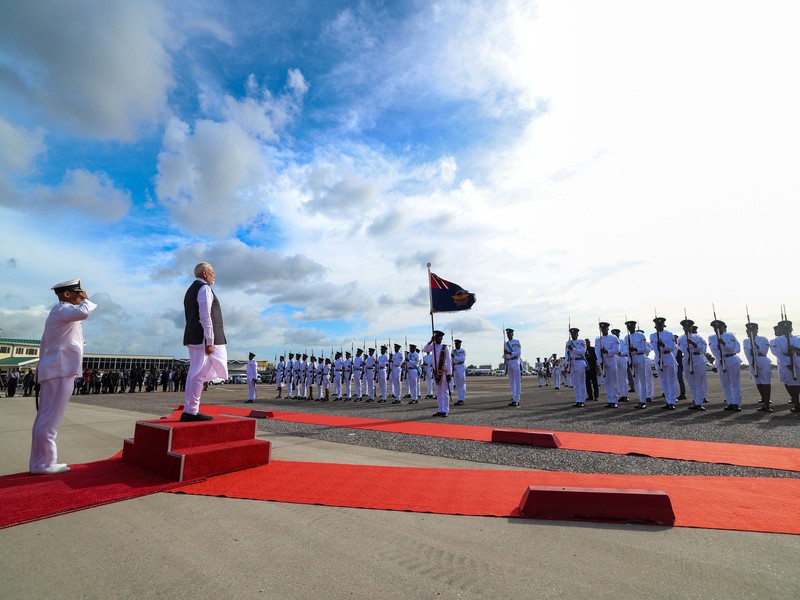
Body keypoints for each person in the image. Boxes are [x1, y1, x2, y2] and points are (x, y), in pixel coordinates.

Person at [30, 279, 97, 475]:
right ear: (67, 294)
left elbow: (44, 345)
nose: (81, 295)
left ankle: (40, 462)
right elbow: (84, 312)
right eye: (78, 292)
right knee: (50, 419)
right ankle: (44, 463)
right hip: (60, 369)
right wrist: (87, 299)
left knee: (45, 417)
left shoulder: (59, 313)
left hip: (55, 369)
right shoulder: (63, 310)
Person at [182, 262, 228, 422]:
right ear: (204, 273)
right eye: (212, 272)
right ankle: (191, 410)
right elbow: (205, 316)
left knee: (194, 373)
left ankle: (190, 409)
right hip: (202, 338)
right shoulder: (204, 288)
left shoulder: (190, 290)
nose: (214, 275)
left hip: (194, 336)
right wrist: (210, 340)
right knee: (199, 374)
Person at [709, 320, 743, 411]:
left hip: (731, 359)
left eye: (719, 327)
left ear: (724, 328)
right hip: (720, 360)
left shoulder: (730, 335)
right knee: (725, 384)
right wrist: (719, 358)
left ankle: (736, 403)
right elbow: (713, 350)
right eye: (715, 328)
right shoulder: (711, 338)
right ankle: (730, 402)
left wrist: (724, 343)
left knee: (735, 383)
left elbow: (732, 349)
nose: (717, 330)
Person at [677, 319, 708, 411]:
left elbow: (703, 350)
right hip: (687, 360)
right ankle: (696, 400)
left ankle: (699, 403)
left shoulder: (698, 337)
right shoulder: (681, 338)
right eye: (685, 327)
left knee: (699, 382)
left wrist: (694, 345)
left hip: (697, 359)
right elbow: (680, 348)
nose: (687, 328)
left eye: (689, 327)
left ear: (691, 328)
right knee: (691, 383)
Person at [743, 322, 772, 411]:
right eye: (748, 330)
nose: (750, 332)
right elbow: (747, 353)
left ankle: (767, 404)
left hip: (763, 360)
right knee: (758, 382)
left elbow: (764, 351)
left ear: (756, 330)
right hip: (753, 362)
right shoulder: (746, 341)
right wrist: (751, 362)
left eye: (752, 330)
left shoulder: (763, 339)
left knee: (765, 382)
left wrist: (755, 344)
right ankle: (764, 401)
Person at [651, 317, 678, 410]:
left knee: (671, 380)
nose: (659, 326)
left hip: (668, 357)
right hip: (659, 358)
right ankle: (668, 400)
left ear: (663, 325)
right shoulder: (653, 336)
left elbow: (671, 347)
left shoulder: (669, 334)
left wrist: (663, 345)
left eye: (660, 325)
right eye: (657, 325)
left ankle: (672, 401)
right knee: (663, 381)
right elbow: (654, 348)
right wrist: (659, 358)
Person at [423, 330, 452, 417]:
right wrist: (430, 341)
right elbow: (425, 349)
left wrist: (449, 374)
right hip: (436, 372)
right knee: (438, 392)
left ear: (441, 338)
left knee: (445, 391)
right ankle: (440, 409)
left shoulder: (445, 347)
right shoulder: (433, 346)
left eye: (438, 337)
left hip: (443, 372)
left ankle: (445, 410)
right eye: (435, 337)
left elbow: (449, 361)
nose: (437, 338)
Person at [624, 320, 649, 408]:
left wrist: (636, 349)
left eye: (631, 326)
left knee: (642, 380)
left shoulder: (640, 335)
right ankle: (640, 399)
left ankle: (644, 400)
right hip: (632, 359)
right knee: (635, 381)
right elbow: (627, 350)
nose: (630, 328)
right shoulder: (626, 337)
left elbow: (644, 348)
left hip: (640, 357)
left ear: (635, 327)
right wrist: (629, 361)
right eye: (628, 327)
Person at [596, 322, 619, 408]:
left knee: (613, 381)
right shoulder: (598, 339)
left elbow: (616, 350)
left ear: (608, 329)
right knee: (606, 382)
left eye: (605, 328)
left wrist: (607, 352)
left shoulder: (613, 338)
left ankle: (614, 400)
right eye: (602, 329)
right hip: (603, 362)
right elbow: (597, 352)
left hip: (611, 360)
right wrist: (600, 361)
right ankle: (610, 399)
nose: (603, 330)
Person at [565, 328, 587, 406]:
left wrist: (573, 349)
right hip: (572, 363)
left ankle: (582, 400)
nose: (573, 335)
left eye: (574, 334)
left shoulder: (581, 342)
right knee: (575, 383)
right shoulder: (568, 342)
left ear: (577, 334)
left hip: (580, 362)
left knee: (581, 382)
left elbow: (582, 351)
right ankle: (578, 400)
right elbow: (566, 354)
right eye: (572, 334)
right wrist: (566, 363)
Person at [503, 328, 522, 407]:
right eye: (507, 334)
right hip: (509, 363)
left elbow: (518, 352)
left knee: (517, 382)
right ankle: (514, 398)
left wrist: (509, 352)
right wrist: (506, 366)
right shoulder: (506, 343)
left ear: (512, 334)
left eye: (509, 333)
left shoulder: (516, 342)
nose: (508, 335)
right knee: (512, 383)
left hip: (515, 362)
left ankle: (517, 400)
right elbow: (505, 356)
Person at [451, 339, 467, 405]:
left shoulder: (462, 351)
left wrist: (455, 357)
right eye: (455, 344)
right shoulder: (453, 351)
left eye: (457, 344)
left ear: (460, 344)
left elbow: (462, 359)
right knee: (457, 384)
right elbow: (452, 360)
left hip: (461, 367)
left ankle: (461, 399)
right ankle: (459, 399)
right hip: (455, 367)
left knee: (462, 384)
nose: (456, 345)